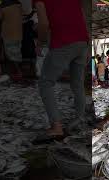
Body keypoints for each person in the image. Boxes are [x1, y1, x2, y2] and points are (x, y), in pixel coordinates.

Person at [34, 0, 89, 138]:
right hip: (82, 42)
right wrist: (88, 43)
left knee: (45, 83)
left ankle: (56, 127)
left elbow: (44, 24)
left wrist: (40, 43)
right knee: (77, 84)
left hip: (63, 41)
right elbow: (83, 17)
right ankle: (79, 118)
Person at [0, 0, 23, 78]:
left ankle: (17, 72)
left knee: (10, 55)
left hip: (7, 33)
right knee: (16, 53)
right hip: (18, 33)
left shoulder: (1, 6)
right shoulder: (18, 4)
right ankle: (18, 72)